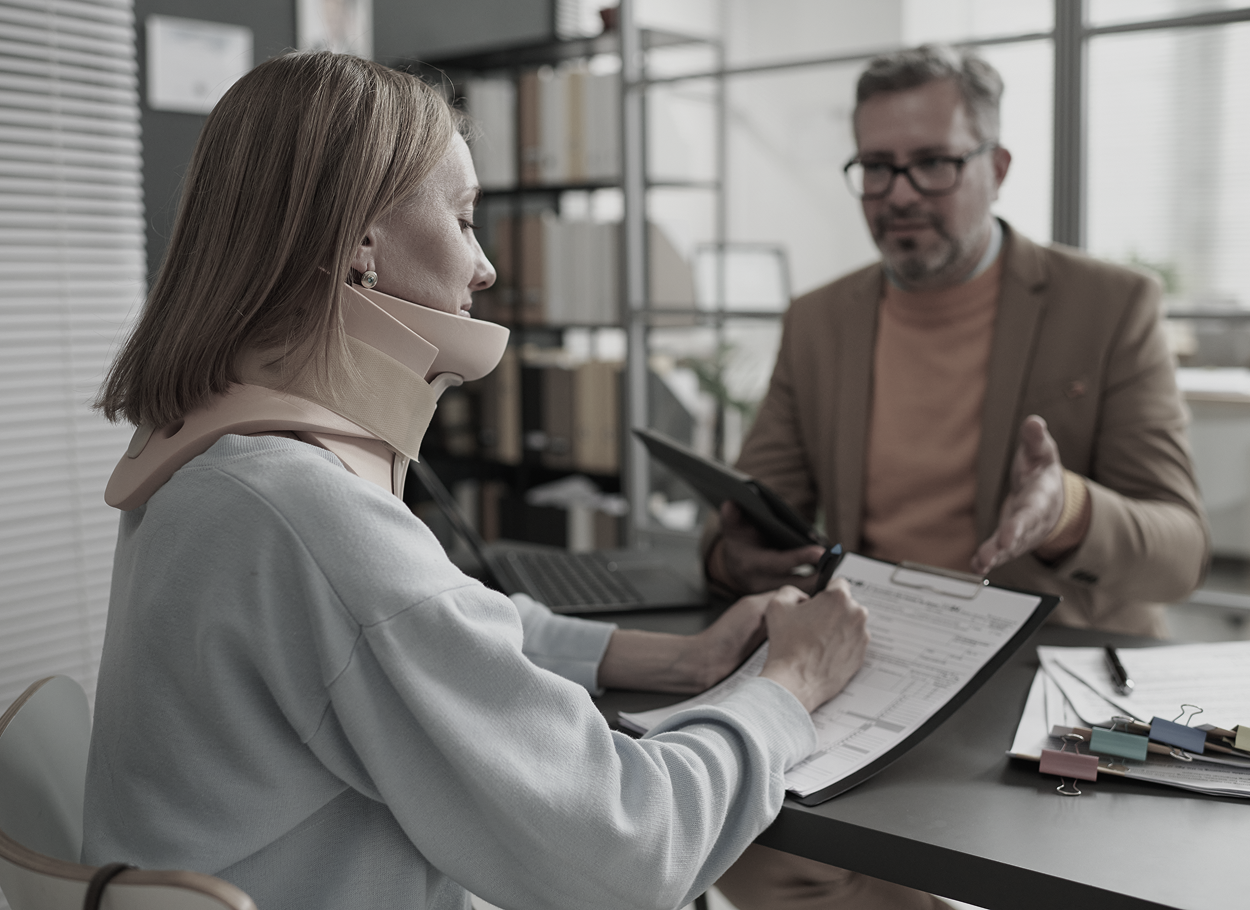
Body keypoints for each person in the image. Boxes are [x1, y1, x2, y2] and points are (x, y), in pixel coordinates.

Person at [83, 51, 873, 910]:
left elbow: (423, 626)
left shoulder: (212, 454)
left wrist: (680, 658)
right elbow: (630, 849)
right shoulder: (303, 511)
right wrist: (787, 688)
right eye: (463, 220)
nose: (485, 266)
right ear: (359, 245)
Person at [705, 45, 1209, 910]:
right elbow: (756, 507)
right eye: (876, 167)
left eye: (933, 163)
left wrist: (1068, 509)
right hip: (882, 665)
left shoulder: (1110, 305)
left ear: (997, 166)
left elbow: (1179, 554)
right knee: (750, 846)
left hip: (1050, 676)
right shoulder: (820, 321)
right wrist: (733, 557)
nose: (900, 192)